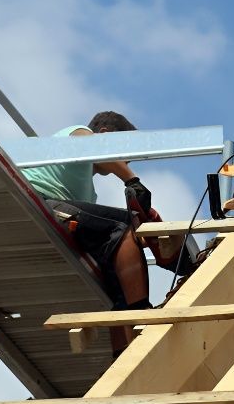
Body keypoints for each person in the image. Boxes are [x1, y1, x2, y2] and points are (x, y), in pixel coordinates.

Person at [21, 112, 153, 356]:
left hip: (61, 211)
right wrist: (131, 180)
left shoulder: (88, 195)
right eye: (124, 151)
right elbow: (92, 144)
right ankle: (140, 309)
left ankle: (124, 351)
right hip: (41, 199)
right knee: (122, 225)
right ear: (104, 134)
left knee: (116, 263)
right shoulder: (76, 133)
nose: (126, 162)